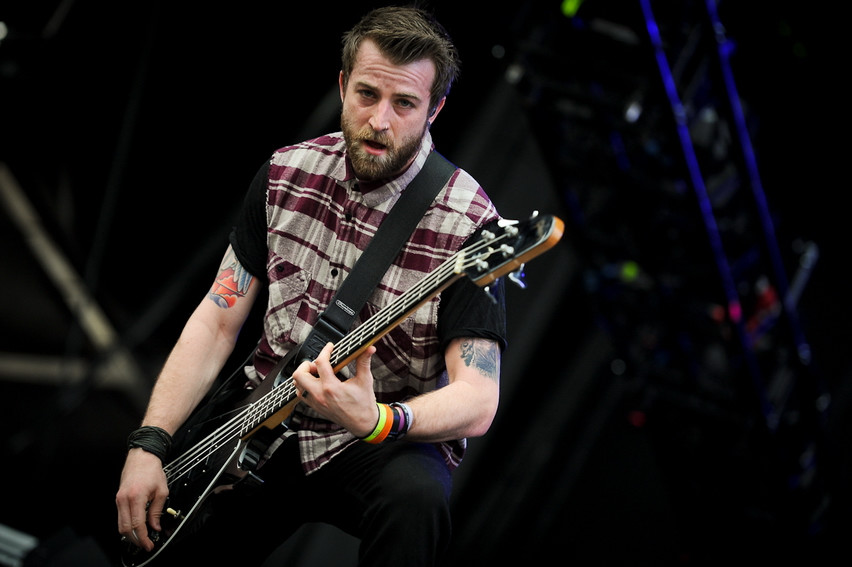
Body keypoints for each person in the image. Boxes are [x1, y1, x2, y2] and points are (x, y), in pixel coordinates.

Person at [115, 5, 506, 566]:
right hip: (262, 419)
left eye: (405, 104)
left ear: (435, 108)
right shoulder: (285, 172)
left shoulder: (470, 222)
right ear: (343, 84)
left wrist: (381, 420)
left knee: (416, 501)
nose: (380, 121)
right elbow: (218, 318)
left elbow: (478, 397)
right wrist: (149, 441)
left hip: (376, 437)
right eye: (368, 94)